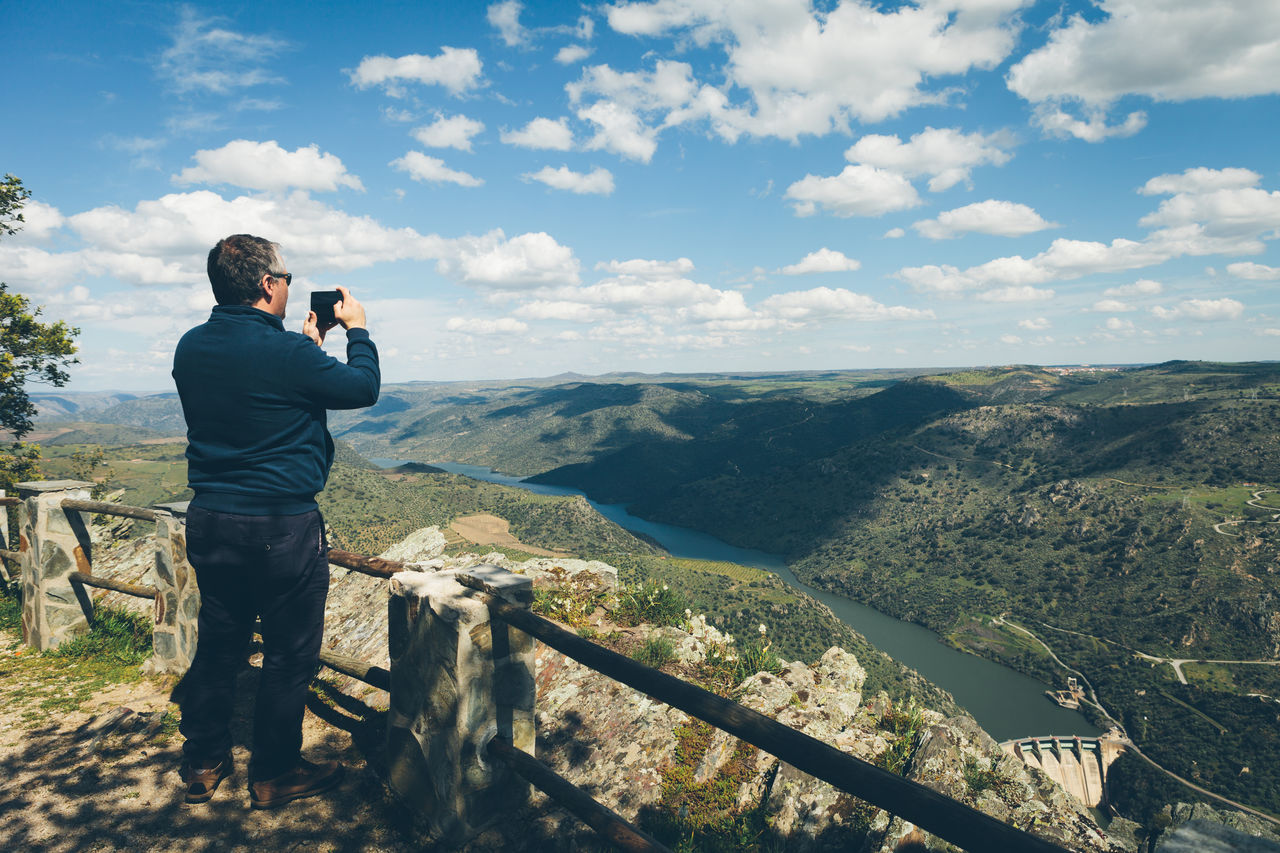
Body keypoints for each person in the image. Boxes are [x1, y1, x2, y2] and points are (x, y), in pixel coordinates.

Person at [171, 234, 380, 808]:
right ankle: (275, 772)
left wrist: (306, 347)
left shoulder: (191, 346)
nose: (290, 286)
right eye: (286, 277)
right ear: (268, 285)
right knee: (288, 654)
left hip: (211, 518)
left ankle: (204, 760)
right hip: (280, 525)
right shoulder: (288, 356)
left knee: (219, 644)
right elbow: (361, 389)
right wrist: (356, 330)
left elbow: (255, 398)